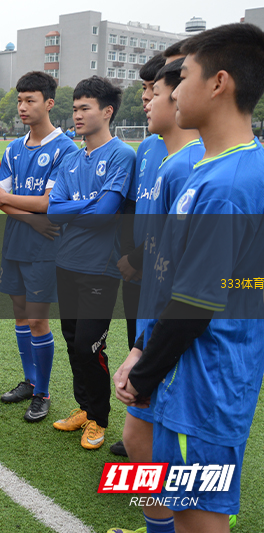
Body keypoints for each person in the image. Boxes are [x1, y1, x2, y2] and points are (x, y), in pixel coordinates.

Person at [113, 23, 264, 533]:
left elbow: (195, 304)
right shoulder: (212, 169)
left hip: (203, 383)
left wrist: (143, 374)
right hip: (188, 374)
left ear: (219, 83)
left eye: (185, 78)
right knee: (178, 505)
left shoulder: (229, 184)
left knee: (197, 519)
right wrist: (142, 348)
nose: (172, 92)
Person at [108, 58, 208, 533]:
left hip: (184, 339)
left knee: (176, 460)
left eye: (159, 88)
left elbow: (198, 285)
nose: (146, 98)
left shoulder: (197, 167)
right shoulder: (163, 155)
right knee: (139, 437)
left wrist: (146, 355)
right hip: (156, 318)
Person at [46, 76, 136, 450]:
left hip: (100, 268)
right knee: (72, 342)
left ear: (107, 111)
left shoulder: (121, 155)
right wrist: (91, 204)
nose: (77, 115)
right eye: (75, 108)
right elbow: (53, 211)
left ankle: (99, 417)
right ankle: (84, 408)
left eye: (85, 108)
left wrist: (77, 208)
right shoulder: (71, 157)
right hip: (66, 262)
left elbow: (105, 215)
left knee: (89, 345)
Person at [0, 71, 79, 422]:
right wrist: (32, 217)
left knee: (38, 319)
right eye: (20, 100)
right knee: (20, 314)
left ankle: (43, 391)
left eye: (30, 100)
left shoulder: (65, 149)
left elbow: (48, 203)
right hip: (17, 242)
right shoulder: (13, 148)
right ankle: (29, 381)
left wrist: (17, 204)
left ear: (49, 103)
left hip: (45, 248)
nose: (23, 107)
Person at [108, 52, 168, 458]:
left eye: (153, 88)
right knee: (137, 344)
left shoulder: (195, 154)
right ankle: (141, 426)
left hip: (163, 273)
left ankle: (157, 433)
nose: (145, 97)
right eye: (145, 88)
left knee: (163, 349)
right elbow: (131, 206)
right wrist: (128, 255)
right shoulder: (147, 146)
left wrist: (139, 258)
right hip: (136, 271)